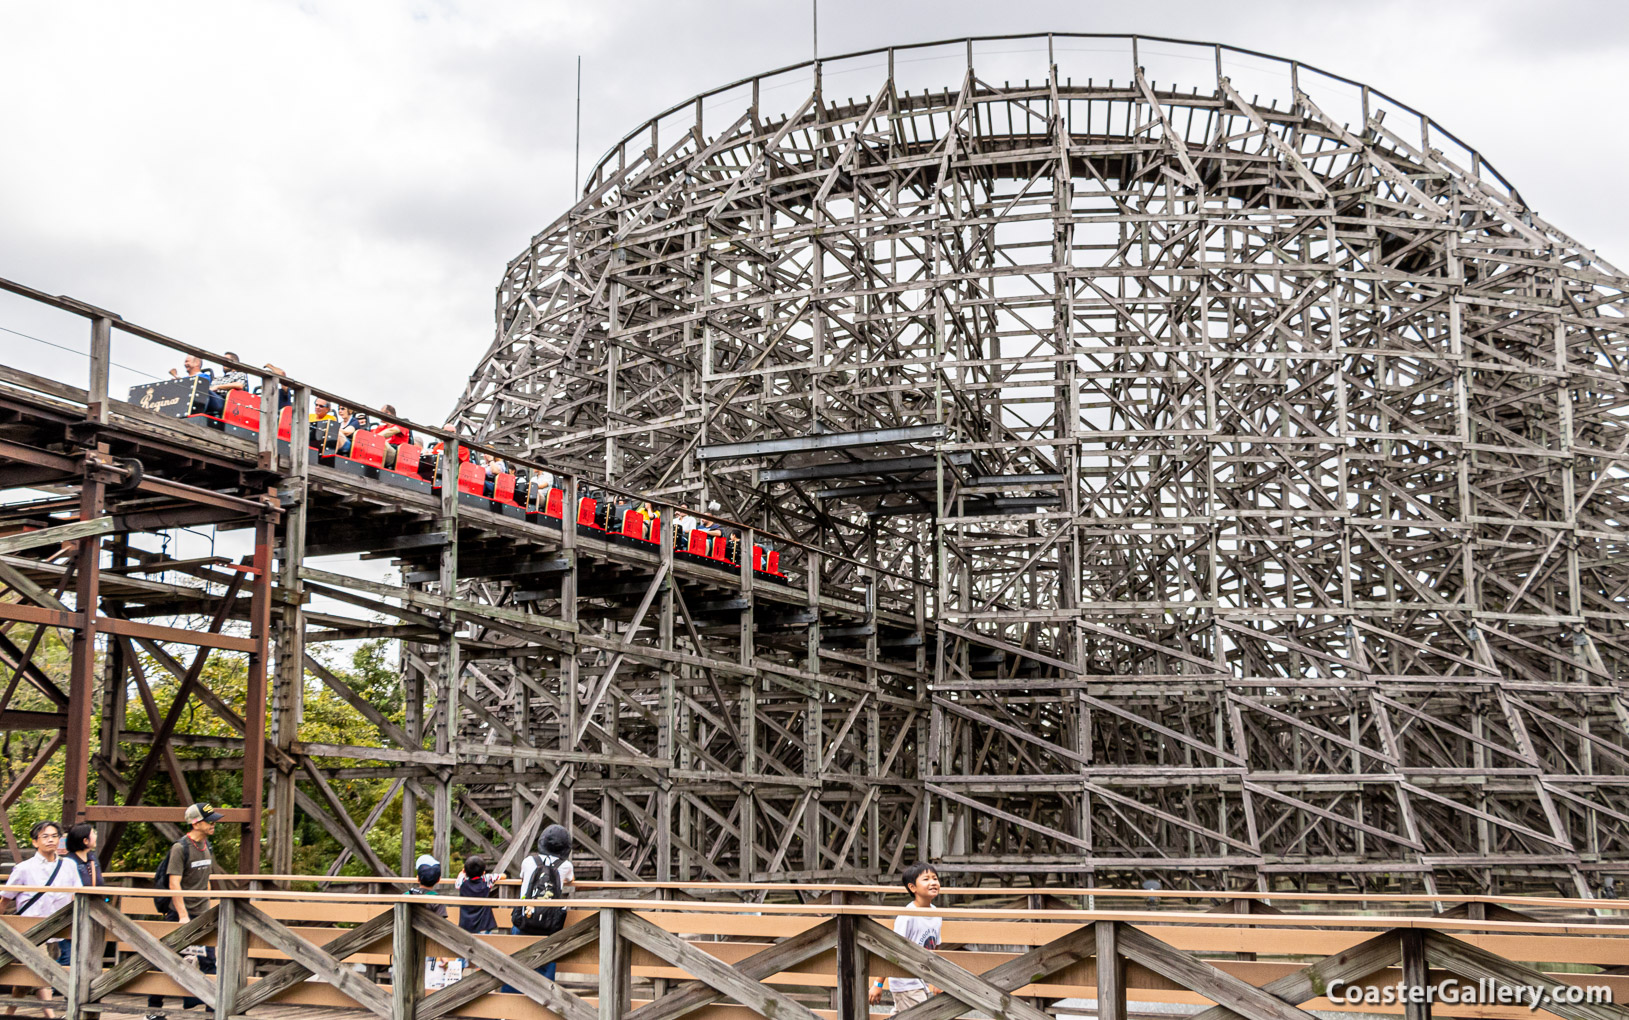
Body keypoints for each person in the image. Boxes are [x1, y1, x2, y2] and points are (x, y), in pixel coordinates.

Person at [146, 803, 223, 1018]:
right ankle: (153, 1010)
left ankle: (213, 1011)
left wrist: (208, 907)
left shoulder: (207, 845)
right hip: (180, 914)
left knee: (209, 961)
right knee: (167, 960)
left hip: (202, 913)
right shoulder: (180, 848)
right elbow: (174, 883)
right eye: (210, 820)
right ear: (196, 823)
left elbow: (206, 879)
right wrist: (182, 916)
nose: (214, 824)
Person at [2, 820, 80, 1016]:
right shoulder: (24, 869)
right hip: (31, 931)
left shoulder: (69, 865)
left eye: (54, 836)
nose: (51, 840)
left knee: (29, 976)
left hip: (58, 928)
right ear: (35, 842)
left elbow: (77, 895)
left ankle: (9, 1013)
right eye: (45, 836)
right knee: (44, 971)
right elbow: (5, 899)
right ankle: (51, 1015)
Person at [868, 863, 942, 1013]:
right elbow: (892, 948)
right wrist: (879, 984)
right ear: (912, 887)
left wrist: (937, 980)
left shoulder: (936, 913)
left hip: (921, 978)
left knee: (905, 1014)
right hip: (905, 979)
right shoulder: (907, 916)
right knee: (921, 1016)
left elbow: (935, 948)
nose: (933, 882)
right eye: (926, 879)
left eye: (935, 878)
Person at [513, 825, 574, 980]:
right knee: (546, 967)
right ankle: (544, 1001)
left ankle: (512, 998)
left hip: (524, 918)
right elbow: (571, 880)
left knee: (515, 966)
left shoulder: (528, 861)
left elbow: (522, 876)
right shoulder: (566, 866)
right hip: (549, 923)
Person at [456, 856, 503, 935]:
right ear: (483, 872)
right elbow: (503, 876)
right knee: (485, 945)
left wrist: (463, 872)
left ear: (465, 871)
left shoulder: (461, 882)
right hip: (484, 924)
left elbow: (460, 875)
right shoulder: (487, 879)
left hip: (466, 924)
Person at [64, 824, 102, 892]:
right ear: (85, 841)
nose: (96, 835)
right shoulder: (68, 862)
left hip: (96, 900)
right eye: (93, 833)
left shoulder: (92, 857)